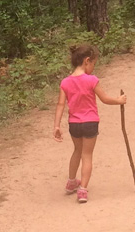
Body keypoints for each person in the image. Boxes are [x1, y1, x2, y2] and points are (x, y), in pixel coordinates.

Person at [52, 44, 126, 203]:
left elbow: (60, 105)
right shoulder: (92, 80)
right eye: (93, 64)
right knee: (87, 155)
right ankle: (83, 190)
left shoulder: (65, 82)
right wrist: (119, 101)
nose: (93, 67)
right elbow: (105, 99)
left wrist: (56, 126)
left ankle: (71, 182)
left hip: (74, 124)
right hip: (90, 122)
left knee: (77, 151)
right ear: (86, 61)